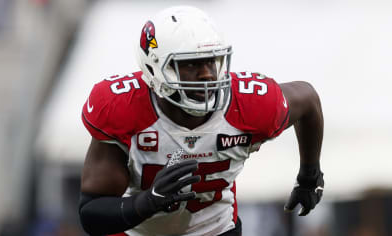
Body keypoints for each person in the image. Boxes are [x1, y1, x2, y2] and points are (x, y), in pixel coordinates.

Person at [78, 6, 324, 236]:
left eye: (211, 61)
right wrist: (146, 202)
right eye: (191, 64)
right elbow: (91, 212)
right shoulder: (123, 108)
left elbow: (308, 100)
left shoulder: (250, 104)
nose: (207, 74)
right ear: (154, 68)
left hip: (217, 229)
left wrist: (310, 176)